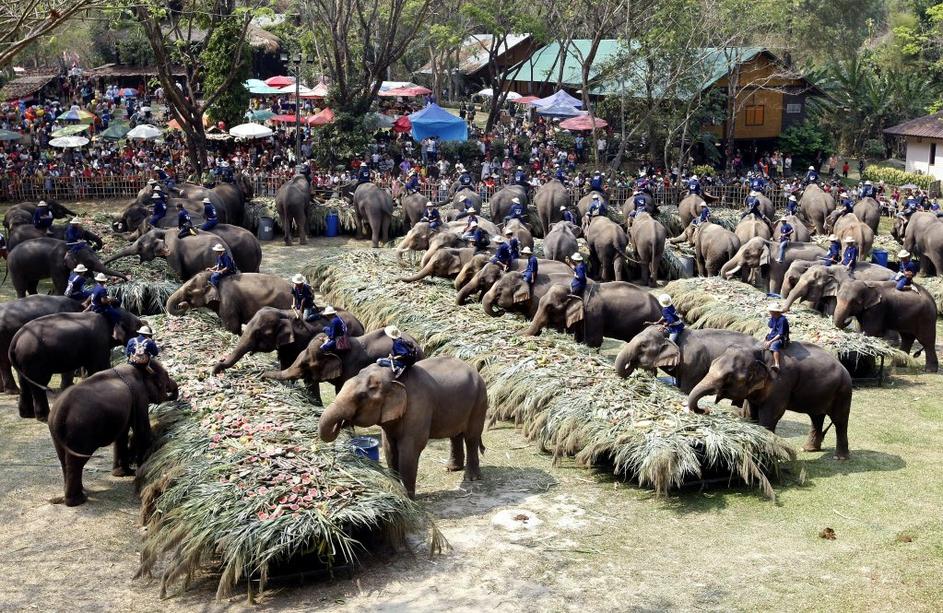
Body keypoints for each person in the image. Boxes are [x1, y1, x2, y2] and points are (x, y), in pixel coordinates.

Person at [765, 303, 789, 371]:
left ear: (775, 312)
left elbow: (780, 334)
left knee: (774, 346)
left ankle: (777, 364)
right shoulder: (773, 317)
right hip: (772, 335)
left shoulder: (782, 320)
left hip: (780, 338)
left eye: (771, 311)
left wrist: (770, 341)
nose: (769, 312)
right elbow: (770, 326)